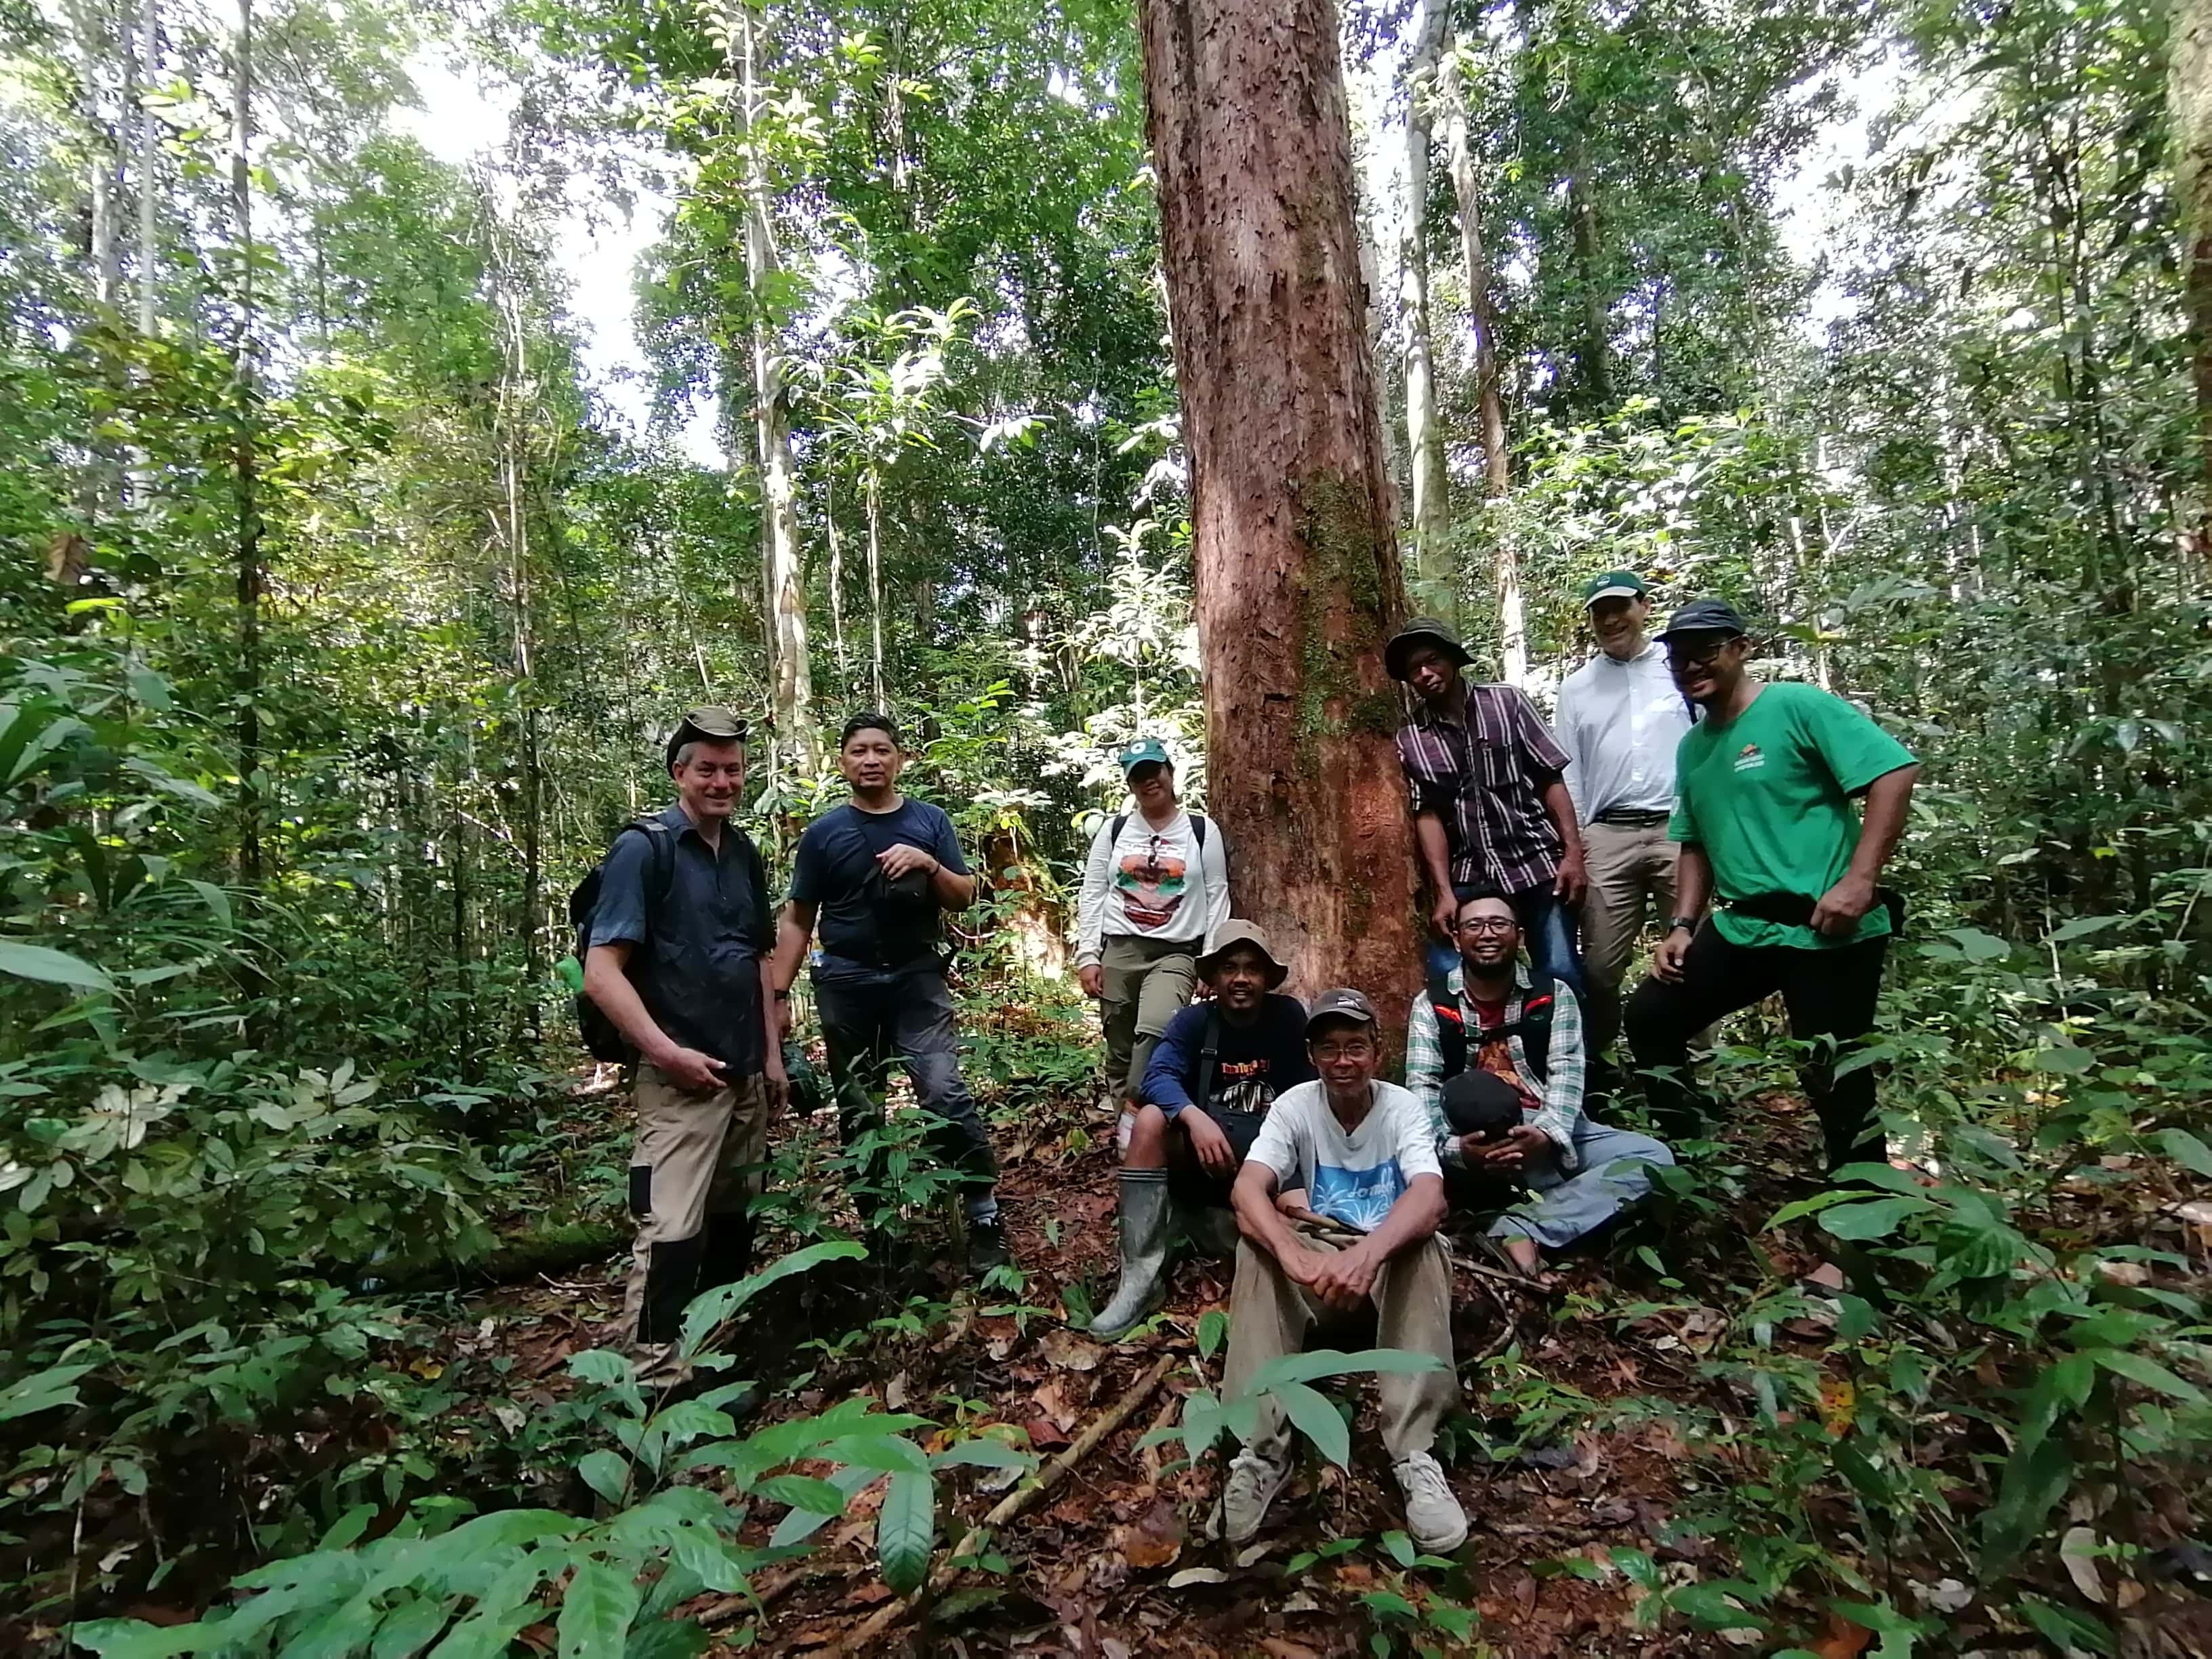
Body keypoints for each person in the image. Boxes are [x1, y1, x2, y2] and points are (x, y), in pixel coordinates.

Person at [1623, 600, 1921, 1174]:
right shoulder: (1693, 745)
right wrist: (1682, 925)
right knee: (1651, 1018)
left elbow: (1893, 772)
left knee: (1832, 1070)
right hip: (1746, 925)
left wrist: (1861, 880)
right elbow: (1694, 842)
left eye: (1705, 652)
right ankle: (1688, 1164)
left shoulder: (1796, 706)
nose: (1690, 667)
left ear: (1741, 649)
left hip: (1829, 928)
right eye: (1678, 658)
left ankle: (1865, 1212)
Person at [1220, 989, 1467, 1555]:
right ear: (1312, 1056)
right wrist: (1293, 1255)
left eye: (1356, 1046)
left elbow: (1429, 1195)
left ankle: (1415, 1453)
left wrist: (1369, 1253)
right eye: (1329, 1048)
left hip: (1384, 1271)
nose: (1343, 1061)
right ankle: (1261, 1450)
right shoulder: (1295, 1106)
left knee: (1426, 1243)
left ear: (1377, 1051)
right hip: (1320, 1269)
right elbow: (1248, 1189)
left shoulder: (1401, 1107)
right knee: (1255, 1246)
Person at [581, 707, 788, 1374]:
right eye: (707, 769)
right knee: (671, 1231)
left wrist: (773, 1059)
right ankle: (651, 1379)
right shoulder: (644, 850)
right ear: (679, 773)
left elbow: (757, 961)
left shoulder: (744, 853)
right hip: (679, 1082)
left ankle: (713, 1359)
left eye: (732, 769)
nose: (721, 782)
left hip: (743, 1074)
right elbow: (601, 973)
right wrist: (665, 1053)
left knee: (732, 1221)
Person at [768, 712, 1008, 1275]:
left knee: (943, 1090)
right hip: (846, 981)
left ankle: (983, 1213)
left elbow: (964, 896)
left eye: (881, 749)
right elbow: (799, 918)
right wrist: (777, 993)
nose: (871, 760)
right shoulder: (824, 834)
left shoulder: (929, 821)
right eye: (859, 751)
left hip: (916, 977)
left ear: (900, 759)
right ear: (842, 762)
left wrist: (928, 863)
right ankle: (878, 1231)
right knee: (859, 1104)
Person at [1405, 888, 1673, 1283]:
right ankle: (1550, 1198)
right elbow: (1422, 1087)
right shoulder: (1432, 1003)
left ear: (1520, 936)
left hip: (1545, 1129)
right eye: (1474, 926)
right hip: (1469, 1135)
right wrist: (1457, 1149)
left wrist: (1546, 1135)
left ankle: (1523, 1225)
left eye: (1499, 924)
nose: (1488, 934)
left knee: (1653, 1159)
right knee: (1468, 1097)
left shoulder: (1554, 995)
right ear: (1458, 940)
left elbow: (1567, 1076)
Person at [1088, 921, 1311, 1339]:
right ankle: (1139, 1276)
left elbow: (1309, 1095)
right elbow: (1157, 1076)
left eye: (1252, 969)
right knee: (1150, 1120)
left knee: (1300, 1224)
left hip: (1271, 1162)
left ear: (1267, 978)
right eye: (1230, 968)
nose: (1241, 979)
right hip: (1208, 1160)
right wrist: (1194, 1117)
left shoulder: (1288, 1018)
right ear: (1213, 977)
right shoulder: (1194, 1022)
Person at [1387, 617, 1589, 998]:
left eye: (1432, 661)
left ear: (1453, 659)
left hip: (1537, 862)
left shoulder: (1506, 702)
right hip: (1472, 872)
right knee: (1446, 973)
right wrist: (1444, 892)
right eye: (1415, 669)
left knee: (1560, 971)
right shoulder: (1411, 738)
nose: (1426, 674)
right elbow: (1427, 815)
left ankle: (1567, 1038)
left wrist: (1573, 854)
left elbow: (1550, 777)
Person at [1553, 571, 1696, 1067]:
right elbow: (1567, 772)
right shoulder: (1577, 688)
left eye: (1620, 608)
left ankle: (1695, 1066)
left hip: (1680, 830)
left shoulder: (1679, 670)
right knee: (1598, 964)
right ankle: (1605, 1062)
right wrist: (1575, 846)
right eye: (1600, 612)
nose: (1611, 620)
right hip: (1607, 833)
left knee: (1692, 954)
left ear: (1644, 607)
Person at [1076, 739, 1231, 1120]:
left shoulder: (1200, 830)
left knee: (1156, 1030)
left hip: (1176, 952)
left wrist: (1211, 960)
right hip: (1120, 949)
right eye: (1138, 776)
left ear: (1170, 773)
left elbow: (1217, 894)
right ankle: (1129, 1135)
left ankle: (1137, 1115)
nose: (1149, 782)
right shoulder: (1114, 831)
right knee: (1119, 1047)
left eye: (1154, 771)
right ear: (1130, 784)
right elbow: (1093, 893)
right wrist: (1088, 955)